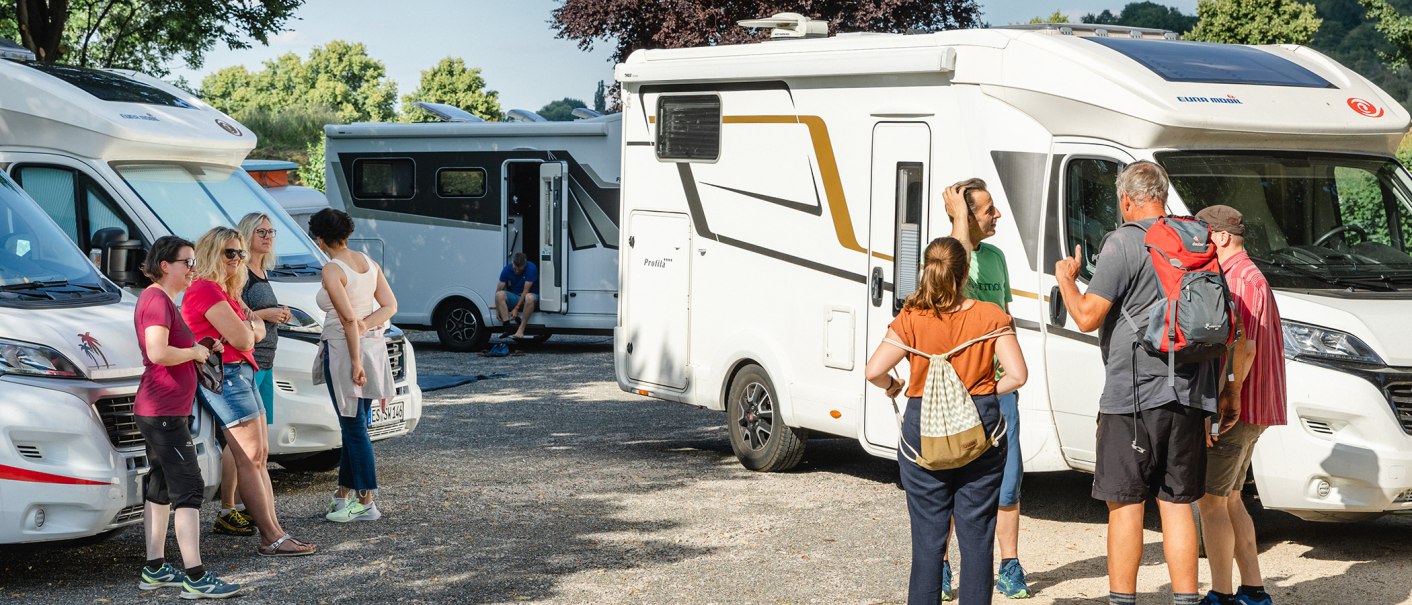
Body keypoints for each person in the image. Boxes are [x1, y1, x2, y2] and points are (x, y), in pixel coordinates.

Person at [1054, 161, 1237, 605]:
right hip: (1192, 392)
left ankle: (1122, 602)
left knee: (1126, 505)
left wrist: (1065, 277)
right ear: (1165, 195)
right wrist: (1224, 390)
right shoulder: (1196, 240)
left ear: (1126, 200)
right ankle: (1186, 601)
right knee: (1177, 504)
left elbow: (1085, 317)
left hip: (1133, 397)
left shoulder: (1122, 243)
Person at [865, 237, 1029, 605]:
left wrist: (894, 385)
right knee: (976, 538)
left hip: (924, 437)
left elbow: (873, 370)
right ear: (965, 272)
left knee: (928, 542)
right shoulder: (990, 317)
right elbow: (1017, 375)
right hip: (979, 434)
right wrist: (983, 390)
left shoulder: (911, 318)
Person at [184, 226, 316, 556]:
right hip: (227, 376)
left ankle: (276, 532)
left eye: (241, 253)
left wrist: (246, 327)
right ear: (212, 252)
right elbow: (247, 337)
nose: (238, 259)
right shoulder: (205, 290)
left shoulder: (226, 292)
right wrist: (245, 328)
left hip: (241, 373)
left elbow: (256, 328)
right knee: (249, 458)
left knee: (259, 457)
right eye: (231, 252)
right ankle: (271, 536)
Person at [132, 235, 240, 598]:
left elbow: (173, 348)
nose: (193, 269)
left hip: (164, 408)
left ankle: (155, 567)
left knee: (161, 486)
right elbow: (157, 352)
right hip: (161, 410)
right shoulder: (156, 300)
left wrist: (203, 347)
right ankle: (196, 576)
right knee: (189, 487)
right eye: (187, 262)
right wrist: (195, 350)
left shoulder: (163, 300)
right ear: (166, 266)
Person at [942, 179, 1031, 599]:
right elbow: (952, 288)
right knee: (953, 481)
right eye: (988, 210)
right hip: (961, 390)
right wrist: (959, 218)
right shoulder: (944, 256)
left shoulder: (996, 257)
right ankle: (941, 567)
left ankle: (1009, 566)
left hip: (1000, 387)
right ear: (965, 216)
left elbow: (1006, 318)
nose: (998, 216)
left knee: (1008, 481)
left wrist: (1009, 373)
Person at [1193, 206, 1282, 605]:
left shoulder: (1237, 280)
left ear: (1223, 237)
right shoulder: (1252, 274)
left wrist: (1226, 398)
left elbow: (1242, 347)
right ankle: (1253, 590)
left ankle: (1221, 595)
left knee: (1211, 501)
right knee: (1230, 498)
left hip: (1238, 408)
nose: (1200, 244)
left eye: (1205, 235)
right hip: (1255, 406)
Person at [308, 208, 397, 523]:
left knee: (353, 425)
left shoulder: (332, 269)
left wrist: (356, 358)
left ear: (319, 239)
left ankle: (367, 500)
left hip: (347, 351)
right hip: (372, 347)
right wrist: (366, 326)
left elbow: (346, 318)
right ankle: (342, 495)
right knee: (357, 424)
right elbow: (390, 305)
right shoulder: (367, 262)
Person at [494, 252, 538, 339]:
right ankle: (507, 328)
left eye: (520, 269)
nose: (517, 271)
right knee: (499, 294)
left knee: (529, 297)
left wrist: (516, 308)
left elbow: (525, 291)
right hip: (516, 297)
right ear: (513, 263)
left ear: (525, 264)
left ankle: (521, 329)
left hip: (530, 298)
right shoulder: (507, 269)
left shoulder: (531, 268)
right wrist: (497, 309)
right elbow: (499, 289)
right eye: (515, 269)